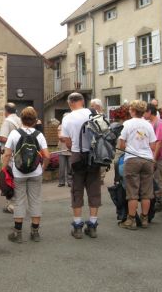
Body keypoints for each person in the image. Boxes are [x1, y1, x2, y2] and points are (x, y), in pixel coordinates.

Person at [2, 107, 50, 242]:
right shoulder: (39, 135)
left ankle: (17, 233)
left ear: (21, 119)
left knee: (19, 202)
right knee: (35, 200)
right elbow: (47, 155)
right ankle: (35, 232)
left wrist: (3, 169)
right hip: (36, 172)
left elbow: (7, 154)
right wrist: (43, 168)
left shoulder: (14, 134)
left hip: (19, 173)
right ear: (35, 120)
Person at [61, 93, 102, 239]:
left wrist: (74, 149)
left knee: (77, 190)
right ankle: (92, 226)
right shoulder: (93, 112)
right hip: (95, 156)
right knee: (94, 189)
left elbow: (68, 141)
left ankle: (77, 227)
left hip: (78, 155)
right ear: (83, 102)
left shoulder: (67, 118)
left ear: (70, 103)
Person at [118, 100, 156, 230]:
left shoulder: (127, 124)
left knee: (132, 191)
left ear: (133, 111)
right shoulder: (148, 125)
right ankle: (145, 219)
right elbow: (153, 145)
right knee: (147, 191)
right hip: (147, 159)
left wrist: (129, 146)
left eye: (130, 109)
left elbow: (121, 145)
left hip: (132, 159)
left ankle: (131, 220)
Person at [0, 103, 21, 213]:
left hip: (10, 155)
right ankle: (19, 204)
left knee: (9, 179)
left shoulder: (7, 121)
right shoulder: (19, 120)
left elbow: (4, 138)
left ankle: (12, 205)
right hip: (19, 154)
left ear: (6, 111)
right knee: (18, 179)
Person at [144, 103, 162, 212]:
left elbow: (159, 142)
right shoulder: (149, 123)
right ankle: (152, 199)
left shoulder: (159, 123)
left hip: (158, 156)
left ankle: (159, 201)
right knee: (150, 178)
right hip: (149, 155)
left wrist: (154, 158)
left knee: (157, 178)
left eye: (144, 112)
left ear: (149, 112)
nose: (143, 114)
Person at [90, 98, 107, 185]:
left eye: (92, 106)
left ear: (98, 106)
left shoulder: (103, 116)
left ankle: (101, 177)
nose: (91, 107)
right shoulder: (90, 116)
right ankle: (95, 177)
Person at [57, 116, 72, 187]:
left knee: (70, 167)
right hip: (62, 149)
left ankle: (70, 181)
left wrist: (65, 137)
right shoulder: (60, 126)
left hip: (70, 149)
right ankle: (61, 182)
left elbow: (64, 138)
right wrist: (69, 138)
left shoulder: (72, 126)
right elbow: (60, 138)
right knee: (61, 167)